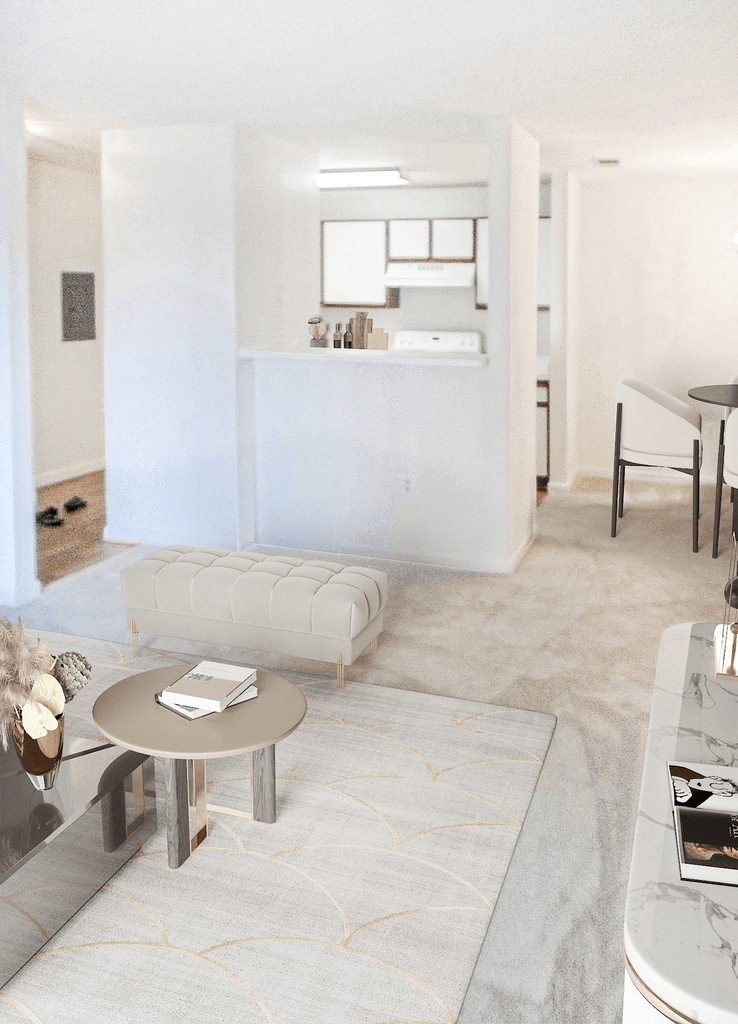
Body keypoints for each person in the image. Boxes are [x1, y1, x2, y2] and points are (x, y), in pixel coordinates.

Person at [669, 764, 738, 808]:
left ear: (722, 794)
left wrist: (682, 800)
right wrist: (680, 780)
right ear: (716, 778)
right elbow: (669, 769)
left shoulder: (695, 800)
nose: (718, 787)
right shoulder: (685, 771)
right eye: (721, 784)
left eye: (723, 789)